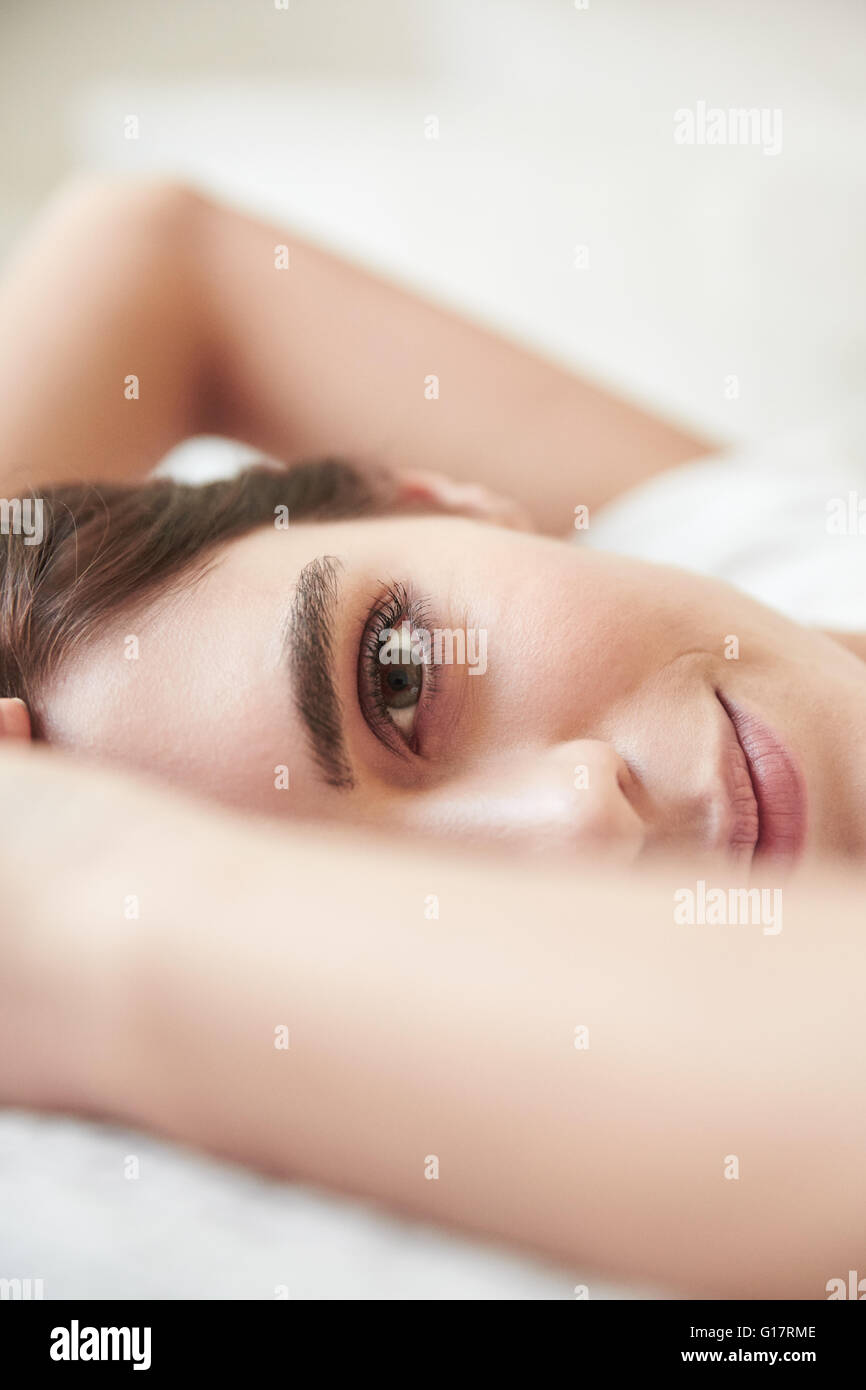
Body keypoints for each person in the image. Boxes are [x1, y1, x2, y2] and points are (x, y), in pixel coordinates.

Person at [1, 178, 864, 1296]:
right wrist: (81, 898)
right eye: (425, 918)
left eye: (397, 676)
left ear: (434, 501)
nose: (581, 819)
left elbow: (156, 250)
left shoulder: (721, 541)